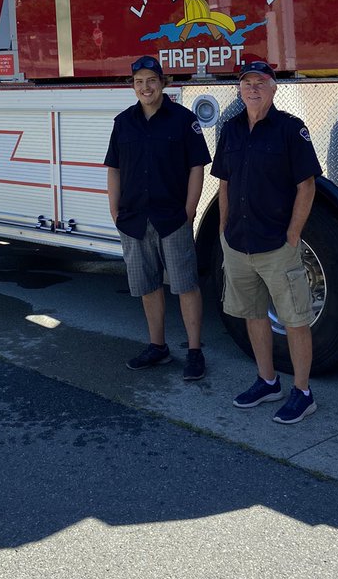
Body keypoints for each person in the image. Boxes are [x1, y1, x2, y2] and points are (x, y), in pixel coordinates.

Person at [211, 58, 323, 424]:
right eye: (246, 83)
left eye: (260, 82)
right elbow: (224, 182)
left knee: (294, 319)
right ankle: (267, 380)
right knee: (253, 315)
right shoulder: (230, 129)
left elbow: (306, 185)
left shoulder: (291, 130)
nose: (253, 88)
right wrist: (224, 228)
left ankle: (303, 393)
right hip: (238, 243)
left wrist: (293, 235)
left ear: (274, 88)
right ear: (239, 90)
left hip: (277, 245)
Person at [104, 56, 211, 380]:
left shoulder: (183, 120)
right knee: (148, 286)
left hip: (171, 218)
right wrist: (115, 210)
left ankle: (194, 352)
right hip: (135, 220)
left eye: (151, 80)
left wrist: (189, 211)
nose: (145, 87)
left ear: (163, 83)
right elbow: (114, 168)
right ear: (133, 86)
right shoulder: (124, 122)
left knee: (185, 285)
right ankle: (158, 346)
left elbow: (197, 166)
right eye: (139, 81)